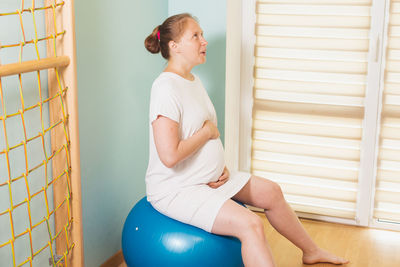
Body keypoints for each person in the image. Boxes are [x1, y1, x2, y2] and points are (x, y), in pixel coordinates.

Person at [144, 13, 349, 267]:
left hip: (204, 179)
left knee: (272, 192)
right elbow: (170, 155)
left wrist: (216, 166)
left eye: (202, 35)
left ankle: (312, 251)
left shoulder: (191, 81)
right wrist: (208, 134)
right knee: (251, 225)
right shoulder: (166, 88)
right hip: (177, 189)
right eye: (195, 36)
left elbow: (194, 136)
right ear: (174, 46)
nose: (204, 41)